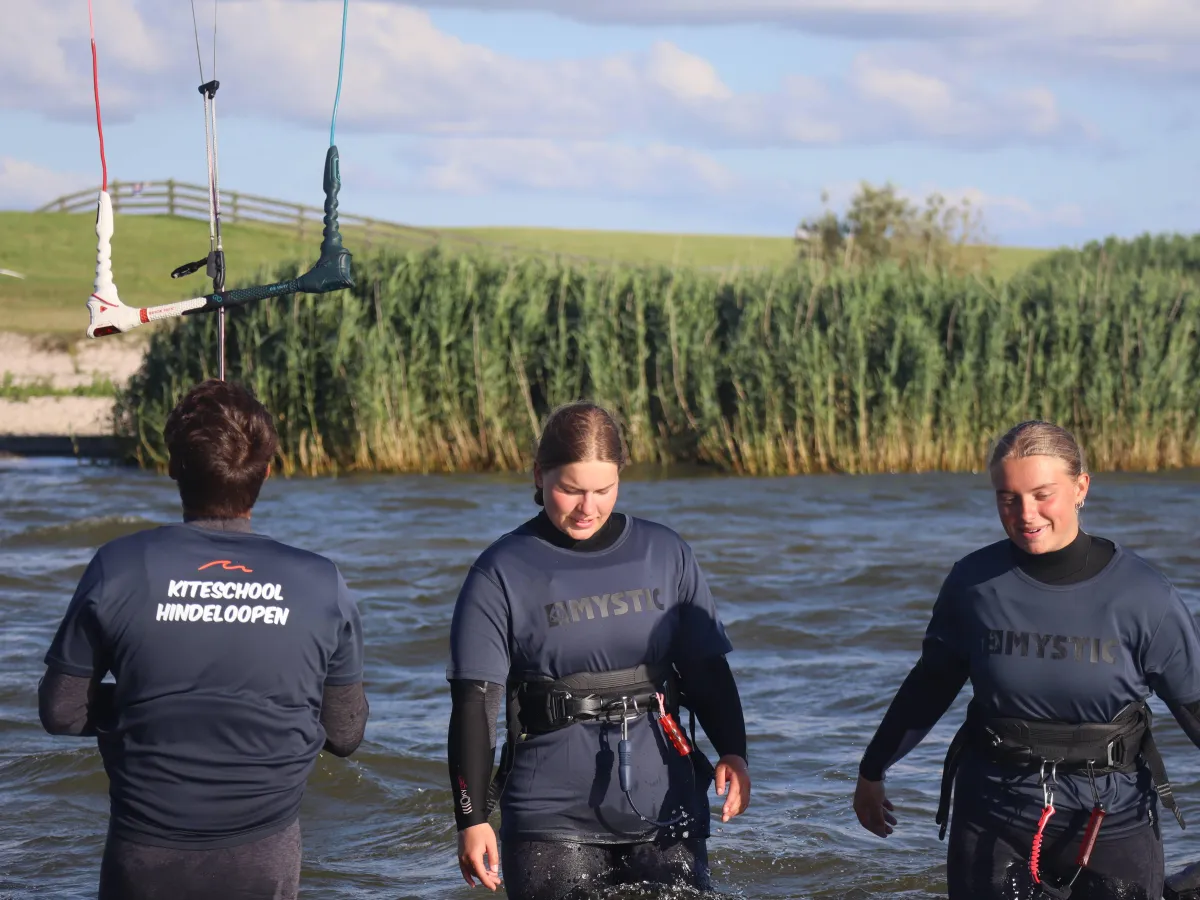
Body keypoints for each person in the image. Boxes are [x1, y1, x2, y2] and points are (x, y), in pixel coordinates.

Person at [38, 379, 368, 900]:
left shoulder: (119, 566)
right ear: (267, 471)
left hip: (143, 857)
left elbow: (61, 711)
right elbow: (345, 732)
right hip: (263, 857)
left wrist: (150, 703)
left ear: (172, 467)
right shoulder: (320, 580)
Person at [853, 420, 1200, 900]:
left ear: (1081, 487)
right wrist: (872, 771)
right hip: (993, 813)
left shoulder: (1144, 595)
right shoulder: (973, 584)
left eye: (1042, 494)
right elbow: (930, 686)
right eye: (1008, 497)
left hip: (1113, 819)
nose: (1026, 514)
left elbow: (1194, 707)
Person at [445, 400, 751, 900]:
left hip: (665, 805)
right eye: (570, 490)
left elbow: (706, 669)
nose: (588, 507)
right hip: (550, 817)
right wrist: (472, 818)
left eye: (603, 490)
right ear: (540, 475)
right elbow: (474, 705)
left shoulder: (664, 552)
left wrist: (735, 751)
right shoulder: (498, 572)